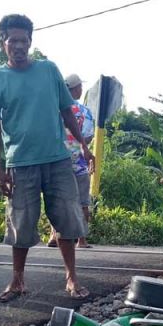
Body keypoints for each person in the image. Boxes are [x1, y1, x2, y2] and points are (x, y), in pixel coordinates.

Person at [0, 14, 91, 301]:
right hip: (20, 163)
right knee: (21, 224)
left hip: (57, 159)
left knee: (67, 219)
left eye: (23, 40)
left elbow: (67, 111)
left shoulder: (49, 70)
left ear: (30, 42)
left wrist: (83, 145)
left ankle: (71, 278)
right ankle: (17, 280)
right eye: (12, 40)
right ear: (3, 42)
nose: (18, 46)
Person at [47, 73, 95, 249]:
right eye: (80, 87)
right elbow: (88, 137)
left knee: (57, 199)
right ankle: (81, 240)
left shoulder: (53, 109)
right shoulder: (84, 112)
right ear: (75, 89)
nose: (81, 90)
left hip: (57, 159)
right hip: (80, 161)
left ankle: (54, 236)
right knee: (82, 201)